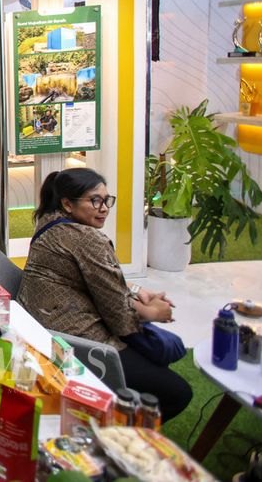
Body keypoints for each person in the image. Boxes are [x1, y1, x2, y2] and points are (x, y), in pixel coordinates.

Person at [17, 168, 192, 420]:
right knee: (178, 392)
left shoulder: (48, 223)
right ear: (67, 203)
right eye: (94, 200)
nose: (104, 208)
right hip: (82, 344)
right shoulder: (87, 239)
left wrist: (135, 290)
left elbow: (90, 280)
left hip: (48, 331)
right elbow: (118, 314)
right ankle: (122, 439)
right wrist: (155, 313)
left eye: (106, 200)